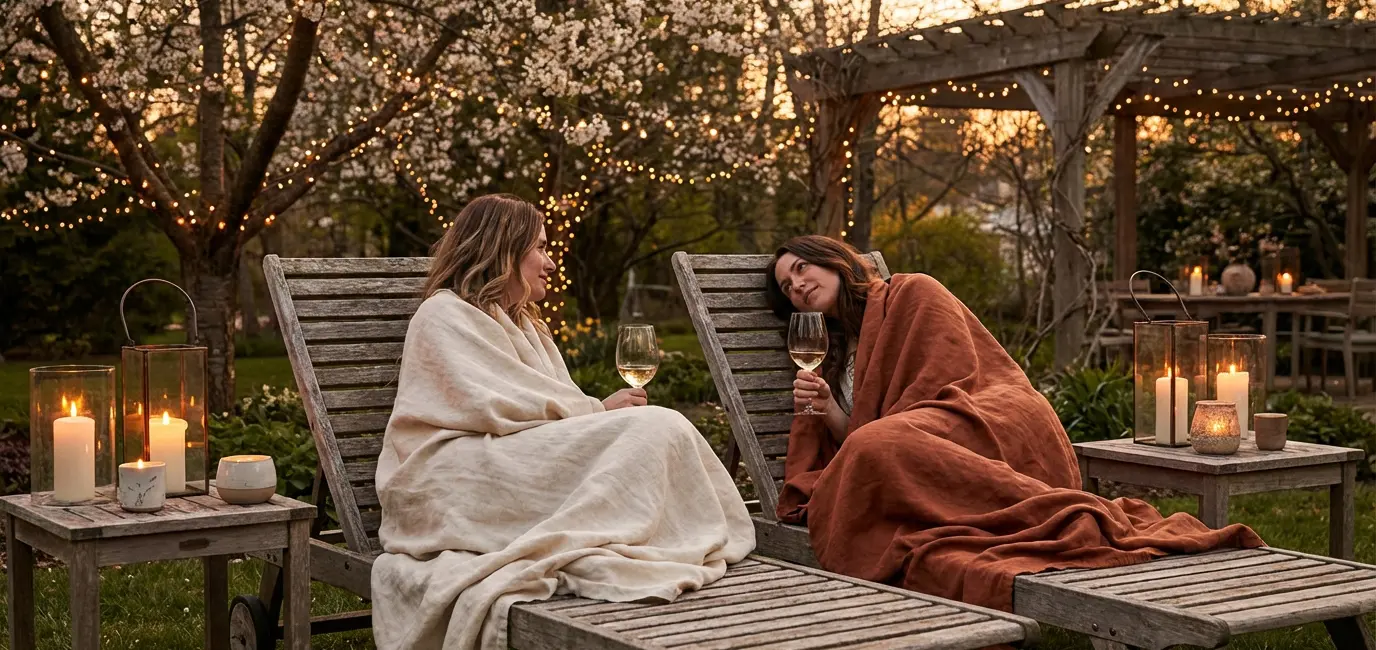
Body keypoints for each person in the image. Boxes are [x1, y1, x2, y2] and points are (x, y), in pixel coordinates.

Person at [764, 234, 1263, 613]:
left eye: (802, 268)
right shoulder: (826, 355)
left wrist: (886, 430)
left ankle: (1066, 514)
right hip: (910, 438)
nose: (798, 285)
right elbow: (863, 435)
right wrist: (828, 409)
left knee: (879, 444)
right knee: (875, 446)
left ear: (833, 259)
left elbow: (954, 370)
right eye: (787, 287)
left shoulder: (910, 291)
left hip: (986, 413)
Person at [370, 194, 754, 650]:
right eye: (539, 248)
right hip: (452, 471)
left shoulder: (526, 325)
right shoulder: (443, 314)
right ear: (501, 250)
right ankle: (638, 532)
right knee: (654, 426)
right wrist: (598, 412)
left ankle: (642, 536)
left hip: (512, 452)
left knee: (655, 425)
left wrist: (596, 416)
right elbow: (489, 405)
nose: (550, 263)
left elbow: (544, 408)